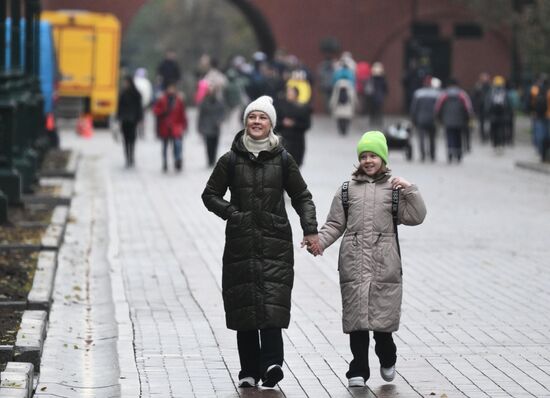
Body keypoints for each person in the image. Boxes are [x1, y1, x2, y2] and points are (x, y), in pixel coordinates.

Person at [201, 95, 319, 389]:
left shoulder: (283, 158)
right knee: (245, 306)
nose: (256, 122)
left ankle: (272, 364)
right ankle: (248, 371)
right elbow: (210, 195)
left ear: (271, 124)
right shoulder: (230, 159)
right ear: (245, 123)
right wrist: (232, 214)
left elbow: (302, 196)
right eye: (252, 117)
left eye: (262, 118)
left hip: (274, 240)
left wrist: (310, 229)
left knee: (271, 303)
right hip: (241, 241)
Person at [308, 131, 426, 388]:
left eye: (373, 155)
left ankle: (387, 357)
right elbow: (335, 223)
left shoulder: (394, 191)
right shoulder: (347, 190)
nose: (368, 160)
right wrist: (319, 243)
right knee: (357, 322)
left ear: (383, 158)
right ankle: (358, 369)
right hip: (354, 262)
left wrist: (410, 189)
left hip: (385, 265)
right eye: (364, 156)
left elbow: (416, 216)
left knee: (382, 324)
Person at [435, 78, 473, 163]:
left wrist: (439, 117)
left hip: (447, 120)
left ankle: (450, 154)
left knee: (449, 136)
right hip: (460, 120)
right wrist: (469, 117)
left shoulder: (444, 94)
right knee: (458, 136)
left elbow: (438, 107)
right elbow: (468, 107)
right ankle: (459, 154)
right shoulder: (462, 94)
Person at [153, 82, 188, 172]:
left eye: (172, 88)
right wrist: (162, 112)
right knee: (164, 146)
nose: (171, 90)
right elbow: (155, 110)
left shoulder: (179, 100)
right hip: (164, 126)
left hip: (176, 126)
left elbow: (182, 113)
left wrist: (184, 125)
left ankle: (177, 160)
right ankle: (164, 163)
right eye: (169, 88)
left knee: (177, 144)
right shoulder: (162, 99)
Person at [275, 86, 312, 167]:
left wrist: (294, 124)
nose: (289, 94)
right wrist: (283, 123)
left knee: (295, 165)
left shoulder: (303, 108)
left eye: (291, 92)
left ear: (296, 94)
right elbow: (275, 123)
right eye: (288, 92)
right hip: (284, 140)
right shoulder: (280, 107)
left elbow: (307, 125)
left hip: (298, 142)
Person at [410, 76, 441, 161]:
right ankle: (432, 155)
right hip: (432, 119)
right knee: (432, 138)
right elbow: (439, 108)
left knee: (421, 138)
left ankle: (422, 155)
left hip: (421, 119)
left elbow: (414, 108)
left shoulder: (418, 93)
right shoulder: (437, 94)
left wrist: (413, 119)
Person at [116, 76, 143, 167]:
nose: (125, 84)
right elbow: (119, 107)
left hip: (133, 121)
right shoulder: (123, 94)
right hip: (125, 120)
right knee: (125, 140)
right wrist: (119, 118)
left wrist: (139, 118)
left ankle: (131, 156)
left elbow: (139, 108)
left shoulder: (136, 94)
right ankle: (127, 158)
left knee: (132, 139)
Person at [198, 87, 226, 167]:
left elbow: (223, 114)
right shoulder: (204, 103)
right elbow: (201, 116)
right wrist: (200, 127)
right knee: (208, 144)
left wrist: (220, 120)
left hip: (216, 127)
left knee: (215, 144)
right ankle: (210, 160)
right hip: (207, 127)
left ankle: (213, 159)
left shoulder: (220, 103)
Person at [485, 75, 513, 153]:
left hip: (495, 115)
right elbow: (509, 105)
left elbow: (487, 104)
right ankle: (500, 143)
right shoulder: (505, 92)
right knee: (501, 129)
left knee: (495, 129)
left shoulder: (491, 92)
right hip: (501, 115)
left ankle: (496, 143)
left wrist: (487, 113)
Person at [366, 62, 388, 127]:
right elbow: (385, 88)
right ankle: (378, 121)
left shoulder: (371, 78)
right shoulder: (383, 79)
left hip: (372, 96)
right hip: (379, 96)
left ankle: (373, 121)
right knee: (379, 110)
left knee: (372, 109)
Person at [134, 68, 153, 139]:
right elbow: (150, 95)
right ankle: (141, 132)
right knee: (142, 118)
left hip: (135, 104)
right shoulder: (147, 82)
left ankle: (135, 131)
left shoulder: (134, 81)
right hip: (144, 104)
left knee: (135, 118)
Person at [472, 72, 491, 143]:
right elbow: (474, 97)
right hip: (481, 108)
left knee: (488, 123)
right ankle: (483, 136)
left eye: (486, 77)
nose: (485, 79)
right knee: (482, 123)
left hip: (489, 108)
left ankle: (487, 135)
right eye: (483, 78)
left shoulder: (490, 87)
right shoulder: (478, 86)